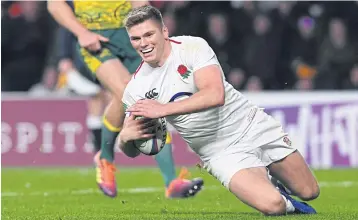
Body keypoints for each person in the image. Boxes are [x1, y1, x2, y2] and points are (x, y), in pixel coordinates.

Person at [119, 5, 320, 215]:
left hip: (250, 124)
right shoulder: (136, 88)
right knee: (274, 206)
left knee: (309, 190)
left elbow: (215, 95)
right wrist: (125, 139)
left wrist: (163, 109)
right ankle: (280, 196)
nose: (143, 44)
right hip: (218, 152)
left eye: (149, 34)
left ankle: (270, 182)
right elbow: (136, 148)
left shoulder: (192, 47)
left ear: (164, 31)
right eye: (135, 38)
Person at [47, 1, 203, 199]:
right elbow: (55, 4)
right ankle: (105, 158)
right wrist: (81, 32)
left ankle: (171, 182)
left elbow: (140, 4)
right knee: (126, 90)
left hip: (129, 36)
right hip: (94, 38)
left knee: (149, 97)